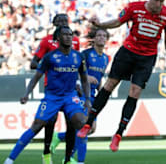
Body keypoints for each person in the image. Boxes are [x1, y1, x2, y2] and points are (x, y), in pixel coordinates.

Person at [76, 0, 166, 152]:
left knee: (134, 92)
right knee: (109, 85)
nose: (159, 5)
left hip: (147, 58)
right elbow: (117, 21)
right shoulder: (134, 8)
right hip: (128, 52)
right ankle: (88, 123)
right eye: (156, 0)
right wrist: (100, 25)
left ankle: (119, 134)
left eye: (162, 1)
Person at [4, 26, 91, 164]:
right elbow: (36, 77)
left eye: (70, 34)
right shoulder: (50, 57)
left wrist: (87, 99)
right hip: (52, 97)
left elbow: (85, 80)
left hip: (70, 96)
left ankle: (78, 161)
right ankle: (10, 160)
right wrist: (27, 94)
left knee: (81, 122)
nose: (69, 37)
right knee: (37, 125)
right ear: (58, 38)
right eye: (65, 34)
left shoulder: (79, 57)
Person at [50, 28, 110, 164]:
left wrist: (101, 93)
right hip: (81, 94)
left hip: (93, 96)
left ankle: (59, 138)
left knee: (91, 129)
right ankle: (77, 161)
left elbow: (99, 78)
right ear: (93, 39)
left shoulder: (106, 58)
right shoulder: (86, 54)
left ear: (107, 39)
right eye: (98, 35)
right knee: (84, 127)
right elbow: (72, 69)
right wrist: (86, 77)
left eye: (104, 36)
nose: (101, 38)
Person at [29, 13, 81, 164]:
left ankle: (68, 158)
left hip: (70, 87)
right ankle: (46, 153)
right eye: (59, 21)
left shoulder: (75, 41)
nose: (62, 23)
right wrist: (44, 67)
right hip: (52, 87)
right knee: (50, 120)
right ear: (54, 24)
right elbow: (34, 61)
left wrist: (79, 82)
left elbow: (78, 64)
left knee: (71, 122)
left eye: (65, 21)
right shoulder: (47, 41)